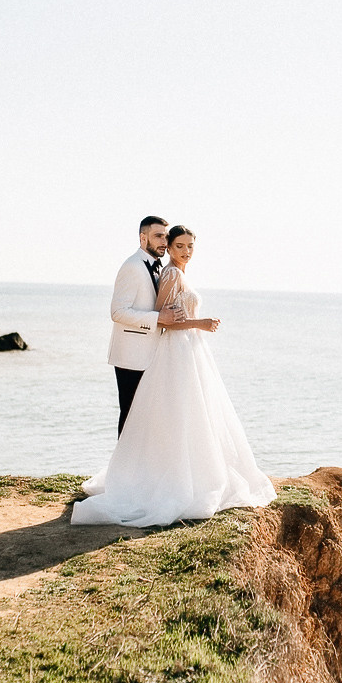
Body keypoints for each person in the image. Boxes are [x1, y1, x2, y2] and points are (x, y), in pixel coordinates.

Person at [72, 224, 276, 526]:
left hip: (188, 351)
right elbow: (163, 319)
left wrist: (196, 324)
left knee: (190, 416)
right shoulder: (170, 274)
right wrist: (200, 322)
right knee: (175, 414)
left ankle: (183, 472)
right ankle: (159, 479)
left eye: (190, 246)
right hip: (175, 350)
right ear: (168, 247)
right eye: (179, 245)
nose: (186, 251)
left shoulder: (173, 272)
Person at [106, 216, 185, 435]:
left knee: (147, 415)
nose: (163, 241)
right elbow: (117, 312)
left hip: (151, 354)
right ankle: (123, 468)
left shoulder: (160, 267)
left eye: (165, 236)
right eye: (158, 236)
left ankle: (141, 467)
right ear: (143, 238)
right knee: (131, 414)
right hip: (130, 355)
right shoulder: (132, 266)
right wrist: (157, 318)